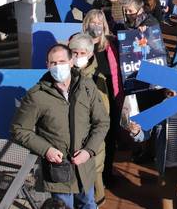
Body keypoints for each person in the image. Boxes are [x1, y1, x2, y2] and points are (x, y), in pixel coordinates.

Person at [11, 44, 110, 209]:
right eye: (53, 63)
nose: (58, 66)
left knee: (88, 204)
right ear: (47, 65)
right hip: (58, 170)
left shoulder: (86, 86)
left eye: (62, 61)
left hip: (84, 167)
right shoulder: (36, 95)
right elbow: (18, 129)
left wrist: (88, 151)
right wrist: (46, 149)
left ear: (71, 62)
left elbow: (102, 122)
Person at [82, 11, 124, 187]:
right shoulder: (80, 44)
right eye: (93, 22)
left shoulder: (112, 43)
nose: (96, 26)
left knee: (111, 136)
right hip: (88, 99)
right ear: (86, 24)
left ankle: (107, 173)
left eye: (100, 22)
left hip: (111, 97)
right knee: (92, 137)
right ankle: (92, 176)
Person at [69, 33, 110, 206]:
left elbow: (102, 117)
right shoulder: (65, 75)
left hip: (91, 145)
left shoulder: (97, 79)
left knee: (92, 187)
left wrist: (90, 147)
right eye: (74, 53)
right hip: (70, 144)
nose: (77, 57)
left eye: (82, 53)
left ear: (90, 54)